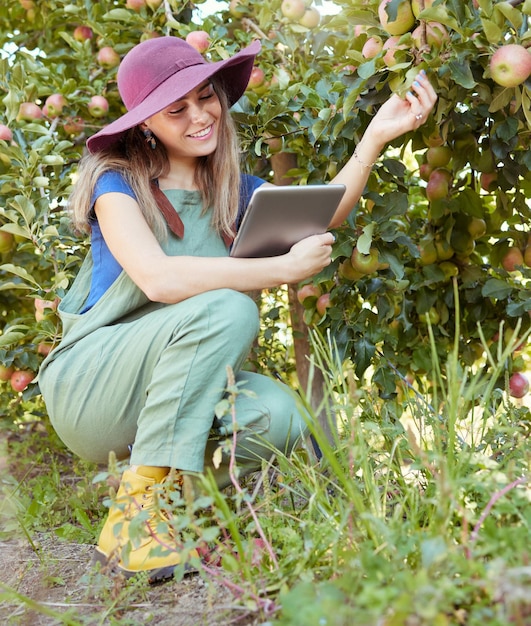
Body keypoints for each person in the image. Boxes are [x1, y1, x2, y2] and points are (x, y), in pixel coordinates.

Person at [37, 35, 437, 583]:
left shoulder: (234, 191)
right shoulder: (118, 184)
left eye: (206, 98)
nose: (200, 116)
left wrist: (375, 137)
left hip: (174, 389)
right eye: (176, 109)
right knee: (227, 309)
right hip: (94, 386)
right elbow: (158, 279)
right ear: (147, 122)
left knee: (284, 418)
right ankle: (134, 521)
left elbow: (324, 210)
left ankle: (162, 501)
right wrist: (276, 271)